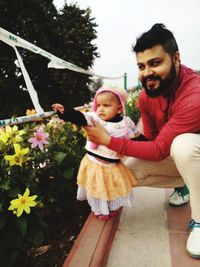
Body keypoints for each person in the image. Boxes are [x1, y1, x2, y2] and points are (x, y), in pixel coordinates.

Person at [84, 24, 200, 258]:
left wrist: (108, 140)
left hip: (193, 152)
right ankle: (184, 184)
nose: (147, 72)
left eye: (155, 63)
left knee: (183, 145)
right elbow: (154, 141)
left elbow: (158, 150)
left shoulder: (194, 93)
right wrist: (122, 135)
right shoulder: (147, 96)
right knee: (125, 172)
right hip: (187, 162)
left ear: (176, 58)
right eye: (141, 66)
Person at [52, 86, 139, 221]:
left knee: (111, 186)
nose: (101, 109)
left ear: (119, 108)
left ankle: (110, 207)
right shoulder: (95, 119)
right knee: (96, 188)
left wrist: (148, 142)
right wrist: (66, 112)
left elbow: (136, 138)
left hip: (113, 164)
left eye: (106, 105)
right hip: (94, 163)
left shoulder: (126, 123)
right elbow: (80, 117)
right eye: (98, 105)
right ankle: (99, 210)